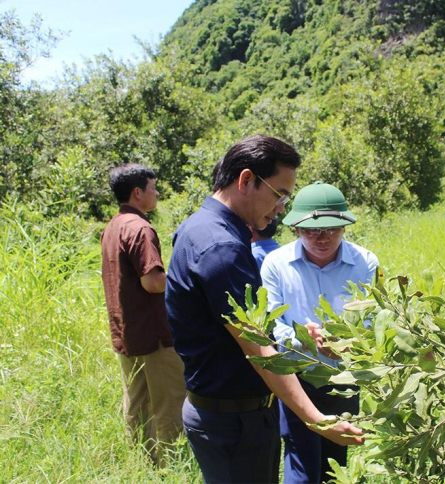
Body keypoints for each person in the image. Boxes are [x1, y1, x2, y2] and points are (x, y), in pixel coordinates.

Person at [165, 135, 363, 484]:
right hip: (234, 423)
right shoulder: (221, 248)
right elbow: (259, 349)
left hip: (226, 414)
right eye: (280, 194)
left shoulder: (201, 227)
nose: (282, 208)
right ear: (246, 180)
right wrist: (317, 420)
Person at [260, 182, 379, 484]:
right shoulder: (275, 264)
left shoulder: (365, 263)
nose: (322, 238)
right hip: (295, 376)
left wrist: (345, 342)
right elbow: (272, 321)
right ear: (296, 228)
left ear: (344, 227)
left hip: (343, 377)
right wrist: (300, 338)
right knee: (300, 460)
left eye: (331, 229)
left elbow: (370, 320)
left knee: (334, 462)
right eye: (312, 230)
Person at [101, 164, 185, 467]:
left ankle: (142, 465)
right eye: (153, 187)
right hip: (154, 335)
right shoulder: (140, 228)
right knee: (170, 403)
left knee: (137, 404)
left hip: (127, 331)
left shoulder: (114, 225)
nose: (158, 192)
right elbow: (152, 282)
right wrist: (184, 276)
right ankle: (173, 465)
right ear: (138, 192)